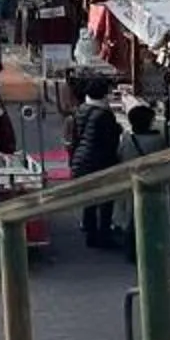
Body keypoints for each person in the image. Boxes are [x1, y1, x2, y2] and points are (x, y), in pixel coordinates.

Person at [68, 84, 127, 248]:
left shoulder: (81, 110)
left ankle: (90, 230)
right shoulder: (104, 114)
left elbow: (76, 136)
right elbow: (110, 139)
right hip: (100, 160)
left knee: (90, 198)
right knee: (106, 199)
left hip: (81, 158)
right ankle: (103, 235)